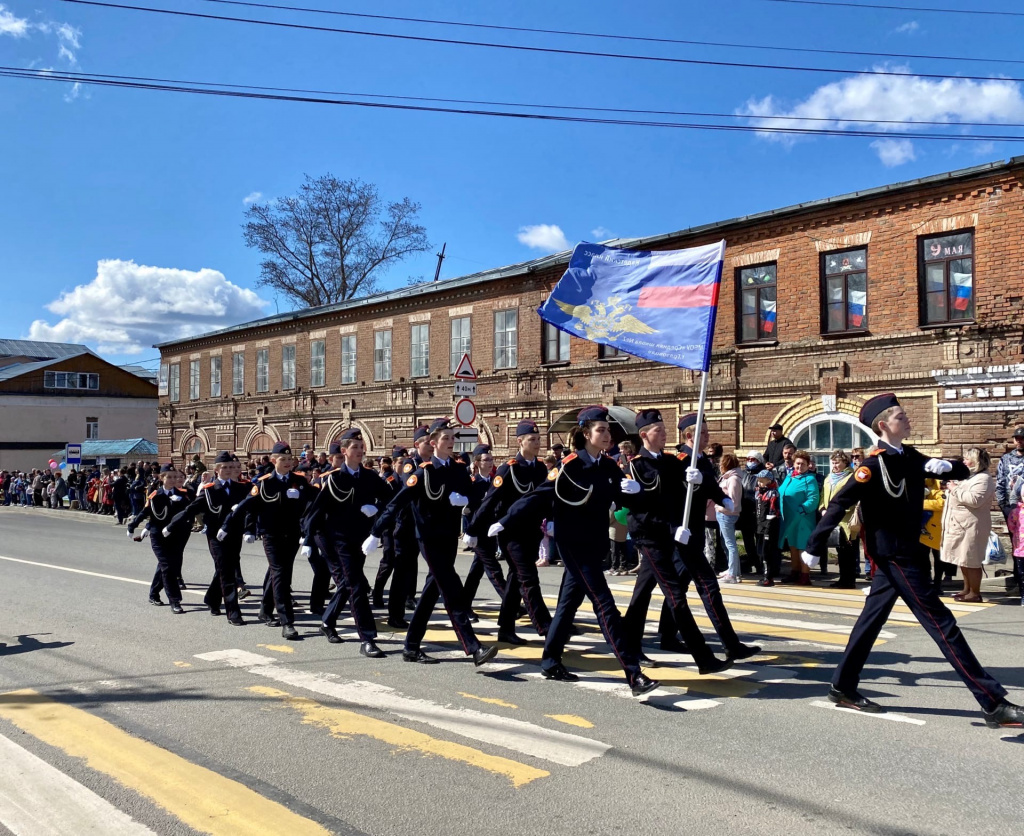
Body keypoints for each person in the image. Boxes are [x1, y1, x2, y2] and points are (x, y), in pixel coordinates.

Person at [803, 393, 1024, 728]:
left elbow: (963, 471)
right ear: (883, 425)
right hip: (895, 556)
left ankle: (843, 686)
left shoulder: (909, 456)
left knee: (870, 623)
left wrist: (948, 466)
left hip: (907, 552)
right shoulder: (871, 466)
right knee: (942, 624)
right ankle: (992, 702)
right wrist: (814, 545)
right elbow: (838, 504)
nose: (907, 419)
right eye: (900, 416)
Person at [494, 406, 658, 696]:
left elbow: (626, 500)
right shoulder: (569, 466)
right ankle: (633, 674)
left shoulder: (608, 466)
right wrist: (505, 521)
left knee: (568, 605)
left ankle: (549, 660)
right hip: (574, 547)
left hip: (595, 546)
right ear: (586, 434)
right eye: (601, 430)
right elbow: (537, 496)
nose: (607, 435)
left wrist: (639, 492)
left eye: (608, 430)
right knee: (605, 604)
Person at [364, 424, 498, 668]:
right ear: (433, 443)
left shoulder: (458, 470)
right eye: (445, 438)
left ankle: (411, 646)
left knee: (431, 592)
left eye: (452, 438)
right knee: (452, 590)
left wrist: (467, 499)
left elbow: (479, 493)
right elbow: (397, 502)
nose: (450, 442)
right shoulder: (424, 472)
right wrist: (375, 532)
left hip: (448, 539)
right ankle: (474, 647)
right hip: (428, 539)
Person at [620, 408, 734, 674]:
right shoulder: (635, 465)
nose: (664, 435)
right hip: (650, 539)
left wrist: (700, 480)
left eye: (665, 430)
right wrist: (672, 528)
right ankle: (703, 658)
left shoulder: (670, 461)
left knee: (642, 595)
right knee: (676, 596)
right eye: (659, 431)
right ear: (644, 435)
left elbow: (682, 492)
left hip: (669, 536)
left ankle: (629, 643)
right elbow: (643, 511)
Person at [302, 430, 391, 657]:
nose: (360, 451)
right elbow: (316, 511)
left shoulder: (370, 477)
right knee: (357, 586)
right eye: (355, 448)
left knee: (348, 584)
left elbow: (391, 499)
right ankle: (367, 638)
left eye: (362, 448)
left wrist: (377, 509)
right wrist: (308, 538)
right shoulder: (334, 479)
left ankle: (327, 622)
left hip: (361, 541)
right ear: (344, 451)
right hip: (338, 541)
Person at [467, 420, 553, 644]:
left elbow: (545, 498)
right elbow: (489, 501)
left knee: (515, 581)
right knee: (528, 579)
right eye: (532, 439)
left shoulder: (541, 468)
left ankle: (505, 628)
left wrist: (551, 519)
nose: (537, 443)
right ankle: (547, 628)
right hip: (511, 533)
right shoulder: (509, 468)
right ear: (520, 441)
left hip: (532, 531)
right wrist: (473, 529)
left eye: (538, 439)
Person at [221, 442, 314, 640]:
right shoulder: (264, 483)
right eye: (283, 459)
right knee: (280, 574)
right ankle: (287, 621)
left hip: (292, 535)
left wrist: (302, 494)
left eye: (290, 459)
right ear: (273, 461)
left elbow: (319, 498)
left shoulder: (299, 481)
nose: (288, 463)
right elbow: (247, 506)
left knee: (280, 573)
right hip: (271, 535)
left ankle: (265, 609)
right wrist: (231, 526)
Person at [164, 452, 250, 625]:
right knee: (226, 572)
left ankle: (212, 598)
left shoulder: (241, 488)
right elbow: (190, 510)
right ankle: (233, 612)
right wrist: (171, 526)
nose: (228, 470)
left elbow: (251, 508)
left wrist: (251, 529)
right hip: (215, 537)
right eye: (224, 467)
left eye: (231, 467)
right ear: (217, 469)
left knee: (225, 568)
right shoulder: (209, 490)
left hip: (234, 534)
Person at [128, 464, 192, 613]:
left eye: (174, 477)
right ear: (162, 478)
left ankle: (154, 593)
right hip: (158, 536)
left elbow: (191, 510)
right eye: (169, 477)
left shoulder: (183, 494)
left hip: (176, 535)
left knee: (167, 567)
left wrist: (181, 502)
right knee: (167, 567)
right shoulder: (155, 495)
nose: (172, 479)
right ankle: (175, 601)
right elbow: (146, 512)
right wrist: (134, 525)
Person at [941, 447, 996, 604]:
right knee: (962, 559)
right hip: (960, 525)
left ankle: (975, 592)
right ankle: (966, 589)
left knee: (971, 560)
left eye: (967, 459)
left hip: (972, 526)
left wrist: (954, 489)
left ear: (976, 461)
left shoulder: (984, 479)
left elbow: (975, 500)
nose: (964, 461)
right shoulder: (969, 477)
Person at [462, 445, 507, 617]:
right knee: (493, 569)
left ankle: (464, 604)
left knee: (476, 571)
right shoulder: (473, 484)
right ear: (478, 463)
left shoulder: (495, 482)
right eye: (486, 460)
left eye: (491, 459)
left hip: (491, 533)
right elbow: (468, 509)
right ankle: (509, 602)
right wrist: (469, 532)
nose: (490, 462)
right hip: (477, 534)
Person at [778, 450, 820, 585]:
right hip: (789, 519)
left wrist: (802, 509)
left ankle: (805, 575)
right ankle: (794, 572)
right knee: (793, 546)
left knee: (802, 546)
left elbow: (813, 499)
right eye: (797, 463)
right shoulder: (790, 476)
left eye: (803, 464)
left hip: (803, 519)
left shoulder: (810, 479)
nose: (799, 466)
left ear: (808, 465)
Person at [820, 450, 860, 589]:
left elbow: (853, 499)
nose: (834, 465)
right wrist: (822, 508)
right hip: (831, 518)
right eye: (833, 462)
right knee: (839, 550)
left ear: (845, 462)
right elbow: (823, 495)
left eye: (837, 462)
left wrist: (838, 510)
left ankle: (849, 580)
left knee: (848, 551)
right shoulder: (829, 477)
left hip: (846, 520)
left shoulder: (851, 477)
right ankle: (842, 579)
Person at [715, 453, 744, 583]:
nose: (719, 466)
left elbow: (733, 501)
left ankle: (732, 575)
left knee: (730, 544)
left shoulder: (733, 479)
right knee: (726, 543)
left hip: (727, 515)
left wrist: (720, 508)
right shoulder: (729, 477)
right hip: (725, 514)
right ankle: (733, 570)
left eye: (721, 464)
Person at [921, 478, 950, 595]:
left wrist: (921, 503)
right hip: (925, 529)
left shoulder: (941, 486)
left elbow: (941, 503)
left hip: (938, 528)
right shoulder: (923, 486)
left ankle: (937, 584)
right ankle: (926, 582)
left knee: (939, 559)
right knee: (923, 558)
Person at [754, 470, 782, 586]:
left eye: (761, 481)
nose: (759, 483)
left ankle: (768, 577)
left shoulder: (773, 493)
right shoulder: (760, 493)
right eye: (758, 481)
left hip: (769, 526)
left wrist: (768, 525)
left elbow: (773, 511)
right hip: (761, 525)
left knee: (768, 552)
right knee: (760, 551)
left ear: (769, 481)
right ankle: (764, 575)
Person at [739, 451, 765, 574]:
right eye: (748, 459)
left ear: (759, 461)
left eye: (753, 459)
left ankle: (761, 565)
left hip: (759, 513)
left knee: (760, 541)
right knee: (748, 541)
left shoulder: (764, 474)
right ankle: (753, 562)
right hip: (745, 513)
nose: (750, 461)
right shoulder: (743, 474)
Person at [996, 426, 1024, 524]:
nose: (1019, 441)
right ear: (1014, 441)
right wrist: (1003, 505)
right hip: (1009, 506)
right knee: (1015, 537)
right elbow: (1000, 481)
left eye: (1022, 438)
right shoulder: (1006, 458)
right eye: (1017, 439)